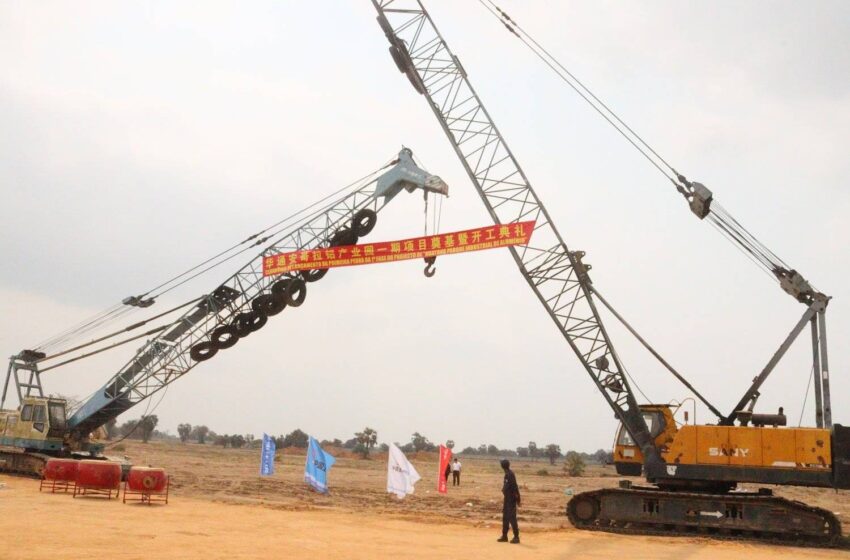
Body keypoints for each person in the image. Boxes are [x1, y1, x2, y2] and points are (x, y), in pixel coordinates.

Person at [497, 459, 520, 544]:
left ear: (502, 466)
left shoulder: (510, 474)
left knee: (512, 518)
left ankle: (516, 537)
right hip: (507, 499)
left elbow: (515, 487)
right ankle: (504, 536)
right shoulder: (507, 474)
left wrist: (517, 499)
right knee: (505, 517)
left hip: (511, 499)